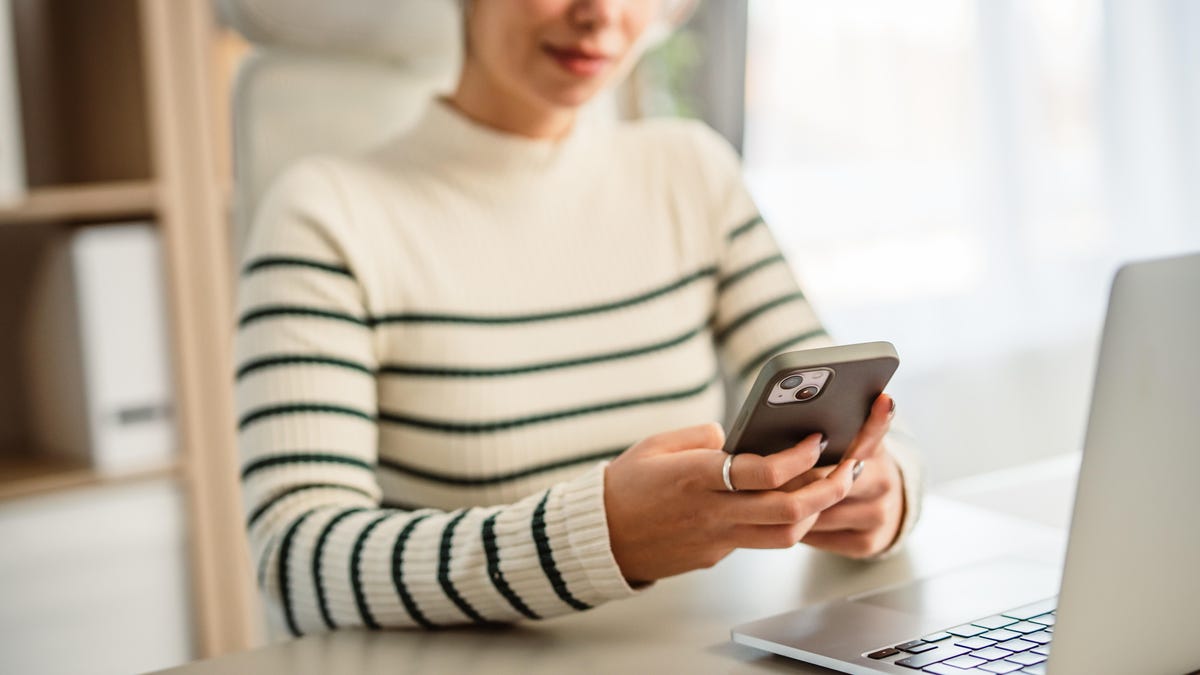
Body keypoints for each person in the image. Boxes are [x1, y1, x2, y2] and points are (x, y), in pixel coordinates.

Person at [235, 0, 921, 636]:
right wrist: (599, 538)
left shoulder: (690, 172)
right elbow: (296, 559)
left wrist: (881, 490)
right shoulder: (326, 214)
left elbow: (840, 395)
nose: (601, 15)